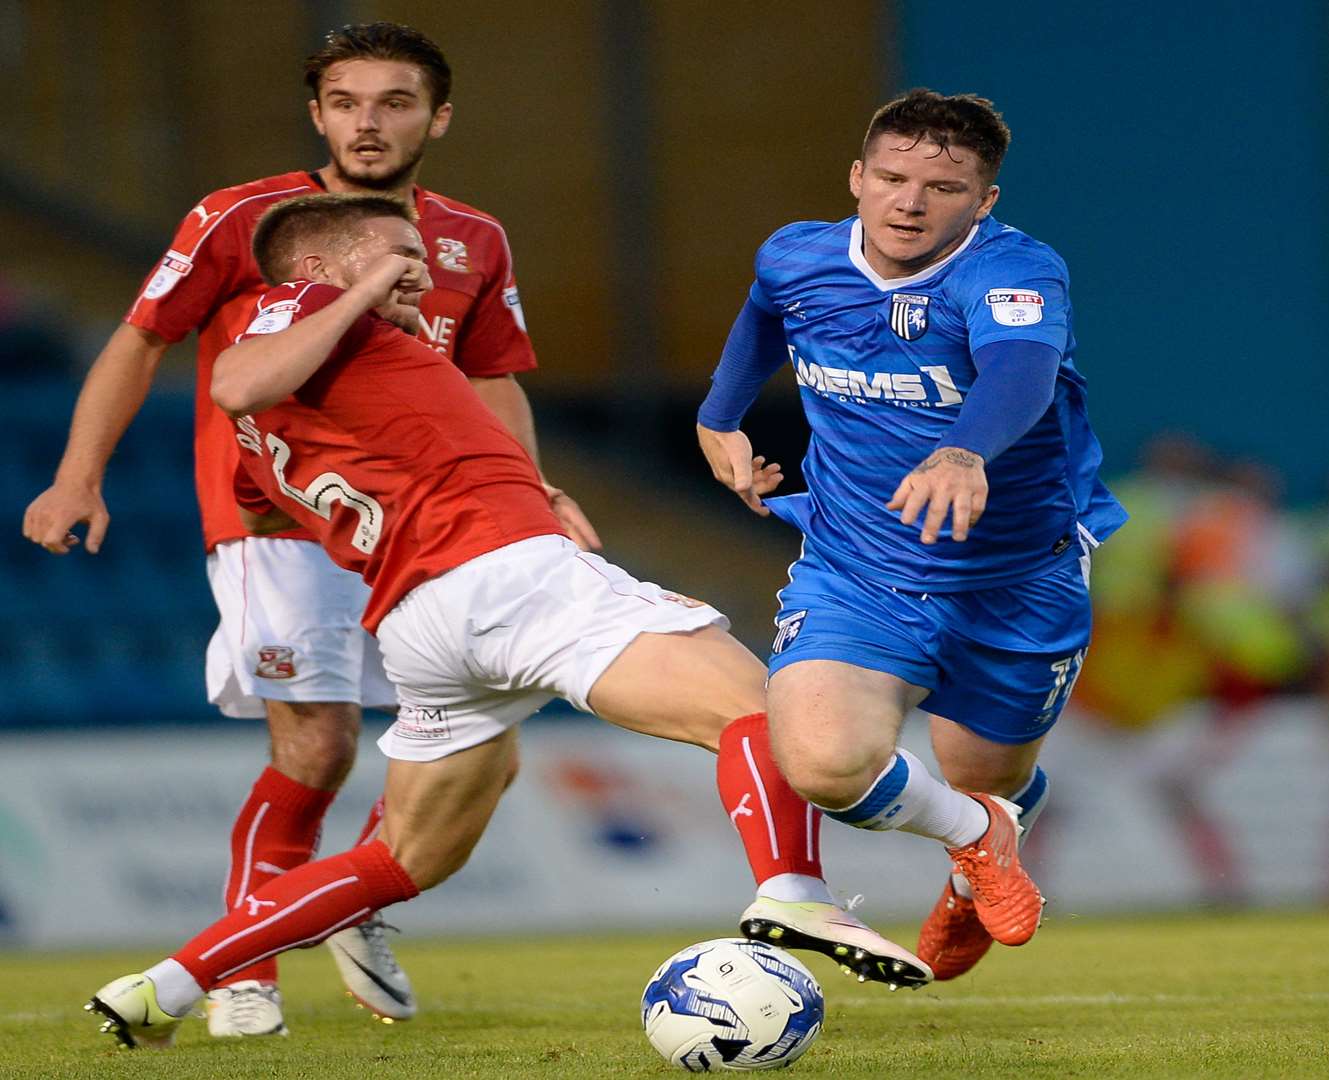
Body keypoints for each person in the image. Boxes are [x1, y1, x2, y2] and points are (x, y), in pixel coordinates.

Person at [85, 193, 927, 1051]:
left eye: (414, 255)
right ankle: (793, 891)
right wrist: (369, 307)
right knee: (767, 712)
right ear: (315, 269)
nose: (415, 271)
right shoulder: (298, 309)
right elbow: (232, 378)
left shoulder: (314, 402)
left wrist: (512, 480)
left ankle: (165, 985)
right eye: (392, 254)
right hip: (503, 575)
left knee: (403, 861)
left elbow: (271, 497)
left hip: (422, 621)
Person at [19, 23, 597, 1036]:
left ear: (439, 117)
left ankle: (347, 901)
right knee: (320, 746)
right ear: (317, 113)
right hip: (275, 517)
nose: (368, 124)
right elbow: (143, 338)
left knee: (487, 751)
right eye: (346, 102)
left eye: (395, 102)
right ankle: (246, 968)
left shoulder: (474, 238)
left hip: (427, 525)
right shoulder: (242, 219)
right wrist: (79, 476)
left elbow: (490, 378)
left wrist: (537, 489)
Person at [695, 89, 1126, 980]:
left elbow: (1021, 369)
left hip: (1015, 578)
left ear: (985, 201)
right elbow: (764, 316)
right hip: (858, 567)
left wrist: (966, 449)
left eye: (943, 186)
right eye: (890, 177)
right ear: (857, 177)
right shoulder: (797, 256)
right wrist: (719, 417)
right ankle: (980, 843)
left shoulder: (1013, 273)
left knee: (987, 777)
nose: (909, 202)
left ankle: (979, 848)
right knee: (822, 762)